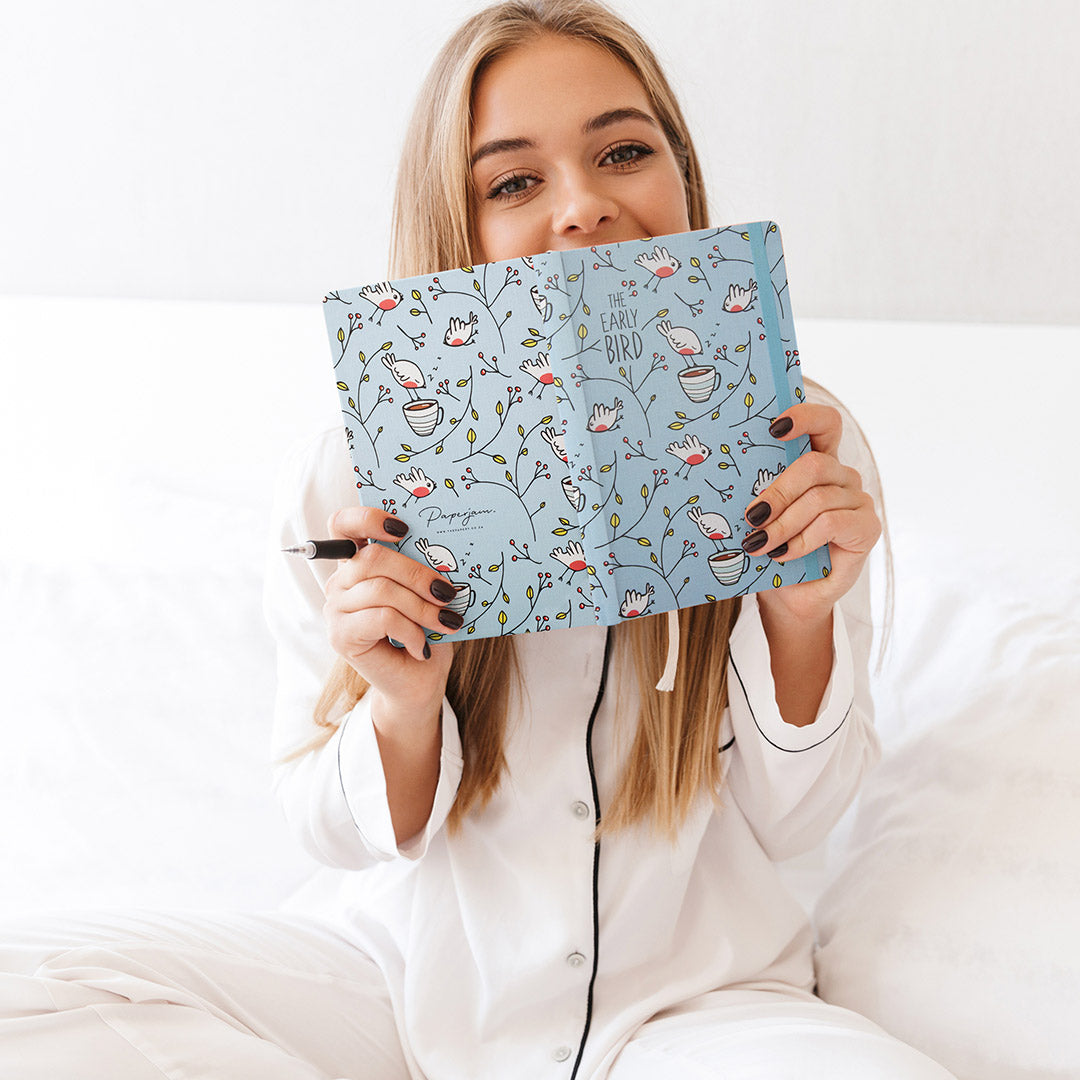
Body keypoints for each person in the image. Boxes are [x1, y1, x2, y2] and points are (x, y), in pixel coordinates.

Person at [0, 2, 955, 1077]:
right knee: (26, 987)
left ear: (680, 176)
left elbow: (800, 827)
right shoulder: (347, 478)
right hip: (392, 985)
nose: (585, 207)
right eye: (514, 181)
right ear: (457, 226)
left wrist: (800, 619)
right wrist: (401, 705)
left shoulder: (799, 447)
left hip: (697, 1006)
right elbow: (329, 828)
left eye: (624, 152)